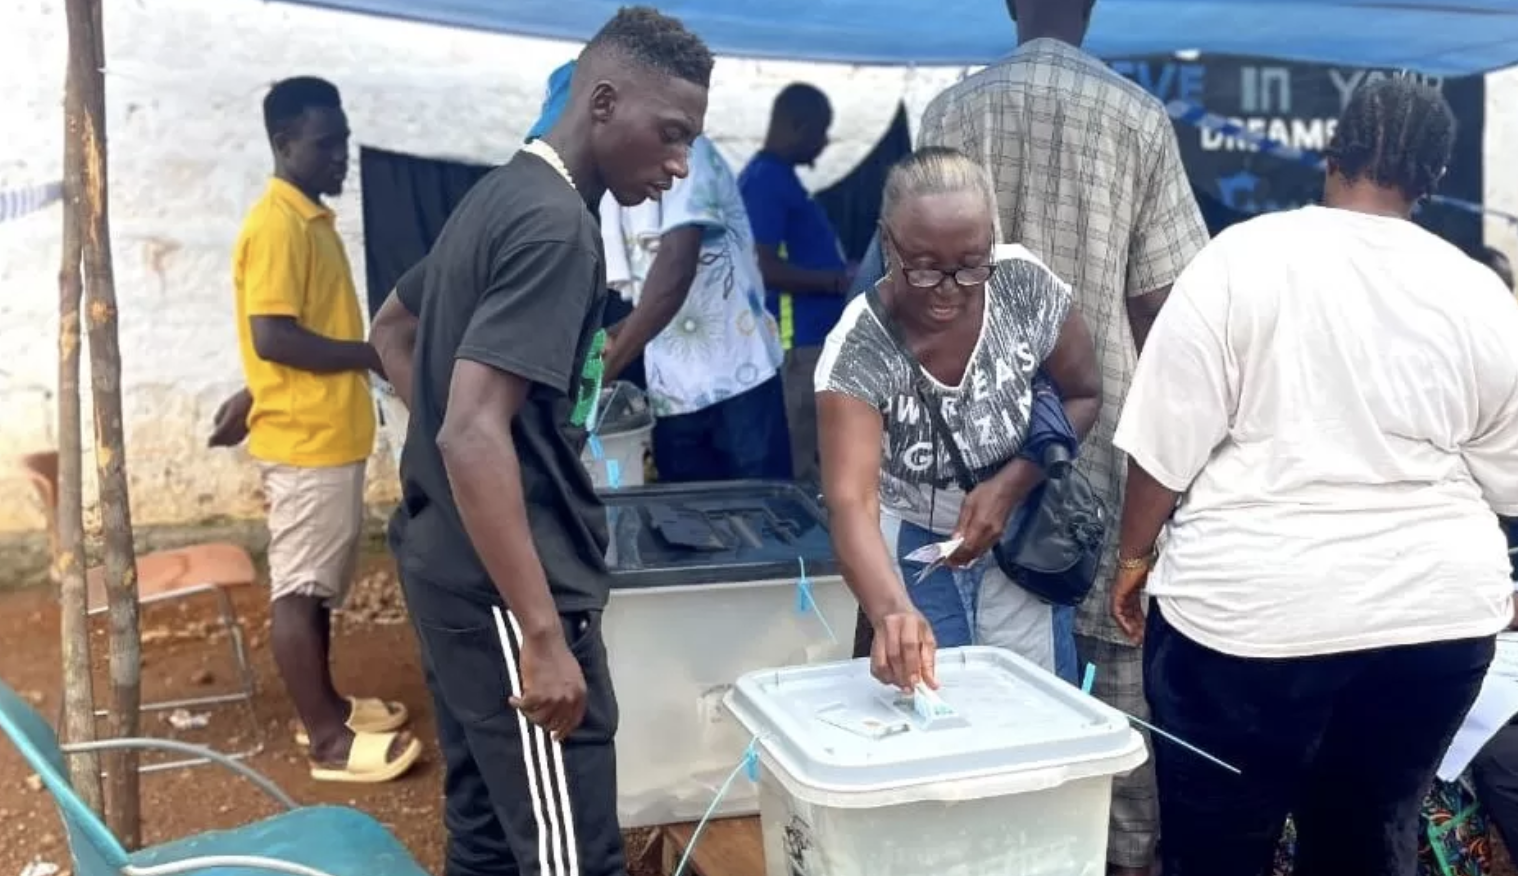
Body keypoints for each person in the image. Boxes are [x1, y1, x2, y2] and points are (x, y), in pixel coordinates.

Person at [1110, 78, 1518, 876]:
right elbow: (1508, 475)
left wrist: (1133, 562)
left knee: (1217, 849)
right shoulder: (1478, 291)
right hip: (1432, 626)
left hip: (1247, 624)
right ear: (1432, 182)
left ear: (1331, 152)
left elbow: (1162, 450)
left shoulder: (1240, 260)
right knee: (1367, 838)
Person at [369, 9, 714, 876]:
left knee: (486, 825)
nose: (679, 167)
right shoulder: (559, 227)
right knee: (570, 853)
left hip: (449, 562)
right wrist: (541, 632)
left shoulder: (499, 193)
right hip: (508, 586)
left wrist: (470, 444)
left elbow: (393, 329)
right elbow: (472, 429)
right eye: (670, 136)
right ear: (603, 101)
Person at [916, 2, 1209, 870]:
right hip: (1104, 429)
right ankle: (1117, 851)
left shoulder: (949, 114)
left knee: (968, 649)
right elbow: (1167, 305)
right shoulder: (1137, 117)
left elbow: (904, 280)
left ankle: (980, 845)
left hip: (964, 431)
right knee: (1110, 653)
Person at [816, 146, 1100, 688]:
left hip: (1022, 540)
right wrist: (891, 609)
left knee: (1031, 702)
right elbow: (852, 500)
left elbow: (1082, 394)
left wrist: (1012, 484)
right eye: (922, 268)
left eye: (971, 265)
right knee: (935, 695)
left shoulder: (1023, 285)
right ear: (886, 241)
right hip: (915, 549)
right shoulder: (859, 349)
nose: (949, 291)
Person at [211, 76, 419, 784]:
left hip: (325, 433)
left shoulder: (308, 218)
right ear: (282, 144)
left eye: (345, 142)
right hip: (307, 442)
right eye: (326, 144)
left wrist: (252, 390)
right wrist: (370, 353)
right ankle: (328, 742)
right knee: (299, 591)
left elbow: (286, 334)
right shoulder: (277, 225)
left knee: (320, 586)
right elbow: (273, 335)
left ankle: (328, 702)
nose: (341, 156)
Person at [600, 127, 789, 481]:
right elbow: (651, 297)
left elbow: (676, 267)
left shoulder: (686, 153)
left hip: (736, 379)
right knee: (686, 527)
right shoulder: (617, 179)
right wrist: (613, 336)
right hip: (672, 390)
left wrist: (605, 371)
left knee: (763, 525)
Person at [740, 83, 854, 485]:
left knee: (820, 461)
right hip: (794, 347)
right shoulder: (765, 181)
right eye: (821, 131)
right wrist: (838, 280)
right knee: (802, 467)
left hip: (809, 345)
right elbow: (763, 267)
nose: (824, 143)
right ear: (798, 125)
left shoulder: (779, 178)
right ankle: (808, 549)